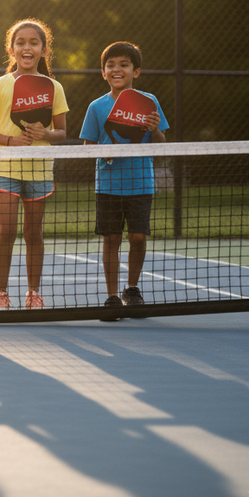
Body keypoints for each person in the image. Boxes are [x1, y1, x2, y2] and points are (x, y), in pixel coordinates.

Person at [0, 18, 68, 310]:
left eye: (34, 42)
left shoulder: (54, 87)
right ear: (11, 48)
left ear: (44, 50)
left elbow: (62, 132)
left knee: (33, 233)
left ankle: (33, 293)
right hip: (5, 169)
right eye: (21, 42)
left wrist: (45, 134)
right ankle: (1, 294)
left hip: (39, 170)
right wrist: (8, 141)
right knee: (6, 230)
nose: (27, 47)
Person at [80, 41, 168, 319]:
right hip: (107, 185)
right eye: (111, 65)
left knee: (138, 237)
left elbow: (161, 145)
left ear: (136, 71)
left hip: (141, 182)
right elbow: (88, 146)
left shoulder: (149, 102)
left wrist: (155, 130)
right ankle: (112, 297)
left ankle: (132, 289)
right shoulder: (96, 107)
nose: (117, 69)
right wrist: (102, 154)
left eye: (124, 64)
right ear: (103, 72)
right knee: (111, 239)